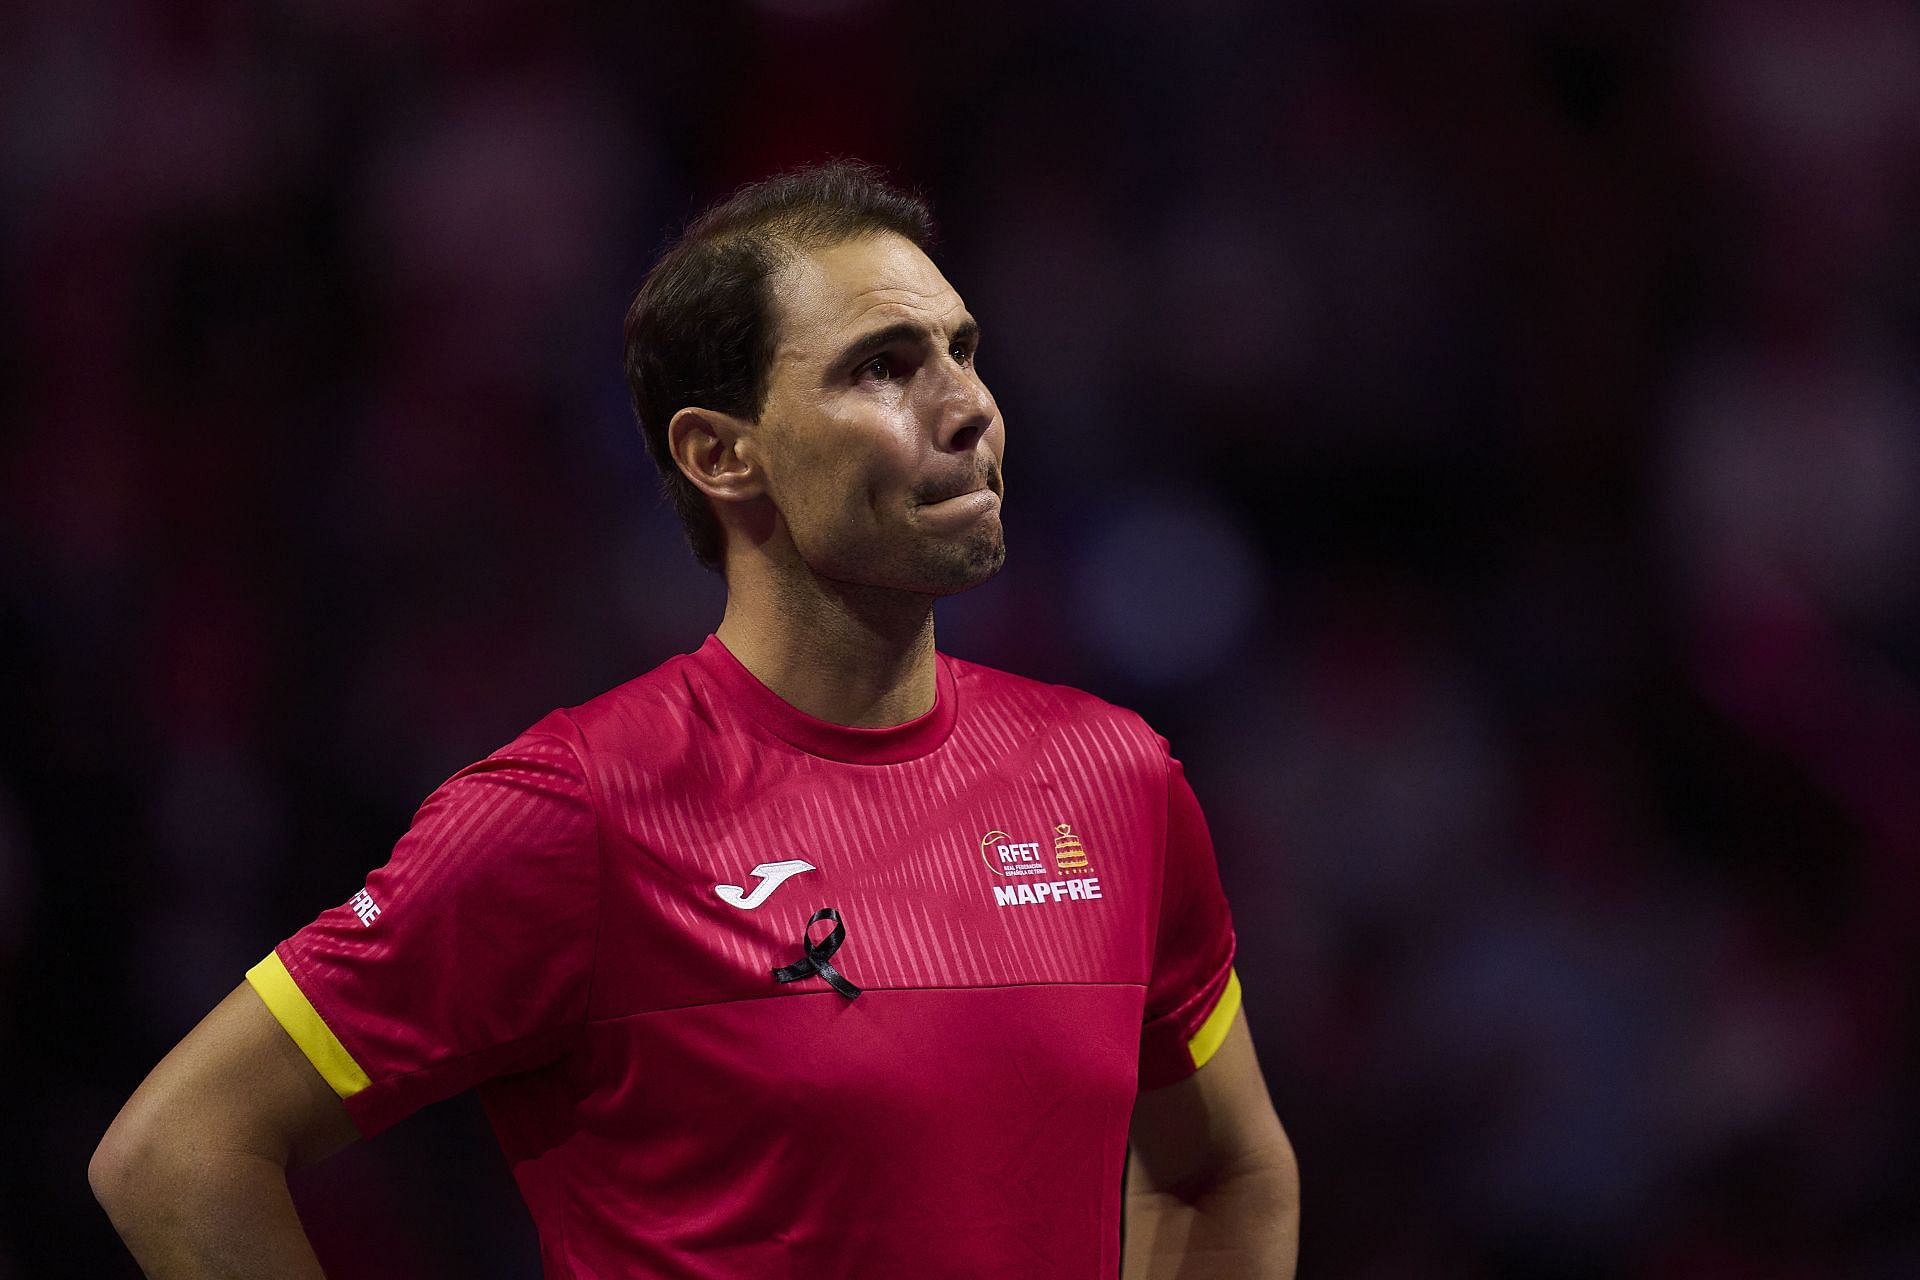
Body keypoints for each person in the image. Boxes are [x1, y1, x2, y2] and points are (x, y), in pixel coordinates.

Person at [89, 160, 1300, 1278]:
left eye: (962, 348)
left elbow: (1224, 1172)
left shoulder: (1113, 778)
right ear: (724, 455)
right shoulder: (576, 809)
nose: (969, 403)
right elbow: (176, 1151)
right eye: (885, 364)